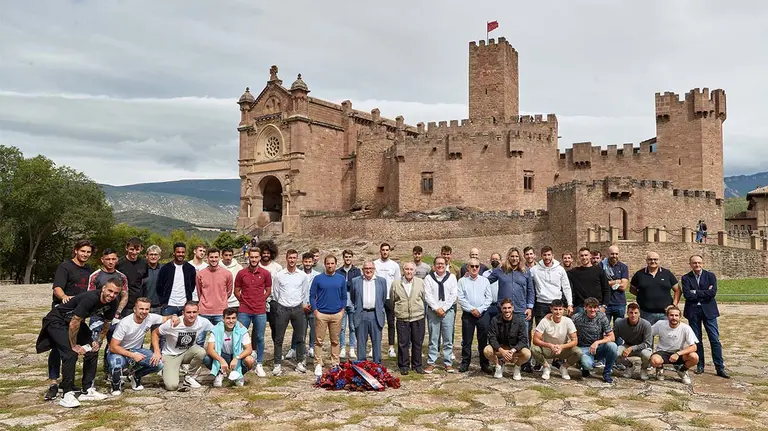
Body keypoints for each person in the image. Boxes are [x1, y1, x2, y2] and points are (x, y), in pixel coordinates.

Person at [36, 277, 122, 408]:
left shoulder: (113, 302)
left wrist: (98, 341)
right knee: (70, 353)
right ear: (103, 288)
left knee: (93, 350)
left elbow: (107, 323)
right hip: (57, 321)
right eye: (110, 291)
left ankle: (87, 390)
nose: (112, 295)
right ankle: (67, 394)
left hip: (74, 322)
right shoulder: (90, 298)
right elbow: (74, 323)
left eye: (115, 293)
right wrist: (74, 345)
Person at [45, 239, 94, 401]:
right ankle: (53, 382)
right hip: (61, 313)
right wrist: (64, 297)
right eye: (83, 251)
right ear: (76, 251)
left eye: (88, 252)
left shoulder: (88, 269)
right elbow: (57, 287)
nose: (85, 254)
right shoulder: (65, 267)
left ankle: (72, 382)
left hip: (78, 314)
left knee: (86, 346)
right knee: (58, 348)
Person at [107, 297, 178, 395]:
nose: (144, 312)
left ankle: (135, 375)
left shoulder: (150, 317)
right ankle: (115, 385)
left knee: (159, 363)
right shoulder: (125, 323)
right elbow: (113, 347)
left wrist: (174, 316)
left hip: (137, 349)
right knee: (116, 363)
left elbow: (166, 318)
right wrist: (133, 355)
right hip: (120, 350)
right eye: (141, 309)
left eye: (147, 309)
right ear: (135, 309)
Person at [486, 247, 534, 372]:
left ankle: (524, 363)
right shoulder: (500, 271)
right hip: (503, 309)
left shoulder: (526, 271)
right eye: (512, 256)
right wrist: (472, 276)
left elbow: (530, 290)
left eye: (517, 256)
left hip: (521, 309)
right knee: (502, 336)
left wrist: (530, 307)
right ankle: (500, 361)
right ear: (508, 257)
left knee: (524, 337)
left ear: (520, 258)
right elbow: (485, 282)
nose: (514, 258)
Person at [681, 255, 729, 378]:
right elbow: (687, 295)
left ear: (703, 263)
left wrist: (695, 292)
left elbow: (712, 293)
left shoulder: (710, 276)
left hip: (709, 310)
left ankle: (719, 367)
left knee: (714, 339)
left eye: (699, 262)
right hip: (693, 311)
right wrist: (703, 292)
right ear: (690, 264)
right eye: (694, 263)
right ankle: (700, 365)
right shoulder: (686, 278)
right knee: (697, 340)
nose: (697, 265)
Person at [152, 301, 213, 391]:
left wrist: (238, 326)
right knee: (171, 386)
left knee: (201, 352)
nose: (192, 315)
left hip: (188, 351)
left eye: (194, 312)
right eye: (188, 312)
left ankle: (189, 377)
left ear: (198, 312)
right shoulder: (173, 323)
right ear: (183, 313)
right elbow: (155, 333)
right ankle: (167, 369)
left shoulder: (203, 322)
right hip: (171, 355)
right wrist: (157, 352)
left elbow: (216, 330)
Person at [271, 249, 311, 375]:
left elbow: (304, 292)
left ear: (297, 259)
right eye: (290, 258)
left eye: (294, 258)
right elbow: (276, 293)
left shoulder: (302, 276)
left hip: (298, 308)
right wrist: (282, 303)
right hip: (283, 308)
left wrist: (301, 303)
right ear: (286, 258)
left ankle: (299, 362)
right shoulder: (279, 275)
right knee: (279, 338)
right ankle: (277, 364)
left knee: (300, 337)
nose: (292, 260)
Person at [234, 247, 271, 377]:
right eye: (252, 257)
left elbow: (268, 290)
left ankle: (259, 364)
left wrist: (261, 300)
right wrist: (243, 301)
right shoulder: (241, 273)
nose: (254, 259)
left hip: (260, 310)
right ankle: (238, 361)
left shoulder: (265, 273)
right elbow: (236, 290)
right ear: (248, 257)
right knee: (239, 336)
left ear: (260, 258)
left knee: (260, 337)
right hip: (244, 310)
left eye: (256, 257)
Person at [309, 255, 347, 377]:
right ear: (325, 264)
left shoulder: (341, 279)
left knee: (335, 341)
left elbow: (344, 296)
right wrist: (315, 311)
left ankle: (335, 363)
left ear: (336, 264)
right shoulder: (318, 279)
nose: (330, 266)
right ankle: (318, 363)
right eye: (328, 263)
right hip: (322, 314)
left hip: (336, 314)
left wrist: (342, 310)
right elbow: (312, 295)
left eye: (332, 263)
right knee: (318, 341)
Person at [423, 257, 458, 373]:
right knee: (434, 338)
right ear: (434, 266)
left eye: (442, 264)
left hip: (447, 311)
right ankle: (431, 362)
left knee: (448, 338)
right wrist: (436, 308)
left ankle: (448, 362)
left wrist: (444, 308)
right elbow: (427, 295)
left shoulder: (452, 278)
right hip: (433, 312)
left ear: (445, 264)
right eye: (438, 264)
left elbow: (453, 295)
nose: (440, 266)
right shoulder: (428, 278)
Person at [457, 258, 492, 373]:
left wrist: (480, 309)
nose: (474, 268)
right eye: (472, 266)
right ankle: (465, 363)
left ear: (479, 267)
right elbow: (461, 298)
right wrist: (472, 310)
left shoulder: (485, 281)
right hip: (468, 314)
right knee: (467, 341)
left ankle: (484, 363)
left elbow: (489, 298)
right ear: (468, 267)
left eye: (477, 266)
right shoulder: (462, 281)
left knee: (483, 340)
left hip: (483, 314)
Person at [204, 307, 255, 387]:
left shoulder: (242, 329)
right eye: (228, 318)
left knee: (250, 360)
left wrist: (236, 358)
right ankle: (220, 373)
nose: (231, 321)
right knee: (206, 359)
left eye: (233, 318)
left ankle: (238, 375)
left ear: (236, 319)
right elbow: (210, 349)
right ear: (223, 319)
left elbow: (249, 349)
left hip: (237, 355)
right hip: (222, 355)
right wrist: (221, 360)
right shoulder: (216, 329)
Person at [531, 299, 581, 381]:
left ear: (563, 310)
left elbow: (575, 340)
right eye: (555, 309)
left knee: (578, 352)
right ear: (551, 309)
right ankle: (546, 367)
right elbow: (535, 340)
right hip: (548, 349)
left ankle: (564, 367)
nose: (558, 312)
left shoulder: (568, 321)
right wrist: (550, 345)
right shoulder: (544, 321)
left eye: (560, 309)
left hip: (562, 349)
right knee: (534, 349)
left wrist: (562, 346)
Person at [391, 262, 427, 375]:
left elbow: (424, 297)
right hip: (403, 317)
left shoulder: (421, 282)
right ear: (403, 270)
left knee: (417, 342)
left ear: (415, 271)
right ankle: (404, 365)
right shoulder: (396, 284)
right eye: (407, 269)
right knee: (403, 343)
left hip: (418, 316)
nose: (409, 271)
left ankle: (417, 365)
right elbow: (393, 299)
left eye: (411, 269)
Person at [571, 297, 617, 383]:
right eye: (590, 307)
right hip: (583, 348)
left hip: (598, 348)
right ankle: (584, 367)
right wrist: (550, 315)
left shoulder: (602, 317)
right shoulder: (577, 317)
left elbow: (612, 337)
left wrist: (597, 342)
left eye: (595, 307)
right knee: (587, 364)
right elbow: (565, 322)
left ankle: (607, 373)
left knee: (612, 346)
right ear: (585, 307)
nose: (593, 310)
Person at [650, 305, 699, 384]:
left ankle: (682, 371)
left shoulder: (686, 328)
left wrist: (677, 353)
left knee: (694, 357)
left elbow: (694, 347)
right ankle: (660, 369)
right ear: (667, 316)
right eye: (671, 315)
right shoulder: (660, 324)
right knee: (654, 360)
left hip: (679, 352)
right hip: (663, 352)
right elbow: (648, 334)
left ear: (680, 317)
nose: (674, 317)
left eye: (676, 315)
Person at [484, 299, 532, 380]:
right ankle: (498, 364)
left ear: (512, 308)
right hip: (500, 347)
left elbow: (523, 339)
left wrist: (512, 351)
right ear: (501, 309)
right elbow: (492, 338)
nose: (507, 310)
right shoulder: (495, 320)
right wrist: (502, 351)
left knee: (527, 353)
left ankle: (517, 367)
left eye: (509, 308)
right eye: (504, 308)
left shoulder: (520, 321)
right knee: (487, 350)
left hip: (514, 348)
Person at [349, 261, 387, 363]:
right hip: (361, 314)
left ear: (374, 269)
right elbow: (353, 298)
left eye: (370, 268)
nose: (368, 270)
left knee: (377, 342)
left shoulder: (382, 281)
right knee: (361, 342)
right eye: (366, 268)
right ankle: (362, 366)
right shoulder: (355, 281)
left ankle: (377, 367)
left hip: (376, 314)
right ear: (362, 270)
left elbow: (382, 299)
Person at [630, 252, 680, 325]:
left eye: (655, 259)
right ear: (646, 260)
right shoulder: (639, 274)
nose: (653, 261)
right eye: (650, 259)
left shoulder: (667, 273)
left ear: (659, 261)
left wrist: (674, 304)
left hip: (665, 313)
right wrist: (643, 295)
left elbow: (678, 289)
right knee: (647, 336)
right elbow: (632, 289)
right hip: (646, 313)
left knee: (666, 335)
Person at [530, 246, 573, 324]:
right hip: (541, 304)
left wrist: (570, 304)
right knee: (541, 331)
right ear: (541, 256)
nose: (547, 257)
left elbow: (566, 287)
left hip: (557, 304)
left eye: (549, 255)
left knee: (557, 330)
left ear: (553, 255)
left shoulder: (560, 269)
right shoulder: (534, 270)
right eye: (544, 255)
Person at [373, 242, 401, 359]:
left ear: (389, 251)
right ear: (380, 251)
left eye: (387, 250)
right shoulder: (375, 264)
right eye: (383, 250)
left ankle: (391, 347)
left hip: (390, 298)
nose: (385, 252)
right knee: (376, 323)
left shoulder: (394, 265)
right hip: (378, 297)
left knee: (391, 323)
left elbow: (397, 282)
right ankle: (374, 347)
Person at [613, 302, 652, 381]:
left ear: (639, 314)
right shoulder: (619, 323)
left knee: (647, 355)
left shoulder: (646, 324)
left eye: (636, 313)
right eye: (631, 312)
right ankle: (629, 366)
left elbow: (648, 343)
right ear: (627, 313)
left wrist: (631, 348)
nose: (633, 315)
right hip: (627, 345)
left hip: (642, 347)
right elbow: (613, 337)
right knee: (613, 352)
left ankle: (644, 369)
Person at [157, 242, 197, 317]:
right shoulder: (166, 268)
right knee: (167, 328)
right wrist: (163, 302)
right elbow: (159, 286)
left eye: (182, 252)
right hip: (169, 306)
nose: (180, 254)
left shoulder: (190, 268)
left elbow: (192, 286)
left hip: (184, 306)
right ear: (174, 253)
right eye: (178, 252)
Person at [195, 248, 234, 325]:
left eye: (216, 257)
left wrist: (221, 300)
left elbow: (228, 292)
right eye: (211, 257)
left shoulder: (227, 274)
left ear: (219, 258)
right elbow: (199, 292)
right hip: (204, 312)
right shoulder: (200, 274)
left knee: (220, 336)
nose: (214, 259)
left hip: (220, 312)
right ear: (207, 258)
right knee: (200, 337)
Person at [567, 247, 610, 314]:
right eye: (581, 255)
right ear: (579, 257)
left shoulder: (599, 271)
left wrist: (604, 306)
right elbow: (562, 274)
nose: (584, 257)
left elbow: (606, 289)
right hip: (581, 307)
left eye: (586, 255)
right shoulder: (574, 272)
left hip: (596, 307)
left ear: (590, 256)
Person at [336, 249, 361, 360]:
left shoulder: (357, 271)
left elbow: (357, 285)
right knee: (341, 327)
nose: (348, 259)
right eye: (346, 257)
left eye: (350, 257)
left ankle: (351, 348)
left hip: (353, 301)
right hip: (341, 303)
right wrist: (348, 284)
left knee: (352, 327)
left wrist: (345, 284)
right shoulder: (338, 271)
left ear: (352, 257)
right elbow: (338, 286)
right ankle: (342, 348)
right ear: (343, 258)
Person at [116, 237, 149, 318]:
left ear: (141, 249)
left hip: (137, 304)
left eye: (137, 249)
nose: (134, 252)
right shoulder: (119, 263)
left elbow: (143, 281)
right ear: (126, 248)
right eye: (131, 249)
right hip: (122, 305)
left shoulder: (144, 263)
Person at [601, 245, 629, 326]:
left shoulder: (623, 267)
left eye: (616, 254)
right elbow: (601, 284)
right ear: (608, 254)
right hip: (606, 303)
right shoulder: (602, 266)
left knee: (619, 330)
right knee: (604, 329)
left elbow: (623, 286)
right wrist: (617, 281)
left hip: (619, 303)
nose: (614, 256)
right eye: (612, 254)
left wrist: (608, 282)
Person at [142, 245, 164, 314]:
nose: (153, 257)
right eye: (151, 254)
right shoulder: (141, 269)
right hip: (144, 308)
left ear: (159, 256)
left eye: (155, 254)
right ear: (146, 256)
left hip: (159, 308)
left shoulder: (164, 269)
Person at [482, 253, 502, 322]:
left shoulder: (504, 273)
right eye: (493, 259)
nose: (494, 261)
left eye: (496, 259)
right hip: (489, 305)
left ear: (500, 261)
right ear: (490, 261)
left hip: (500, 306)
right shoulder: (485, 274)